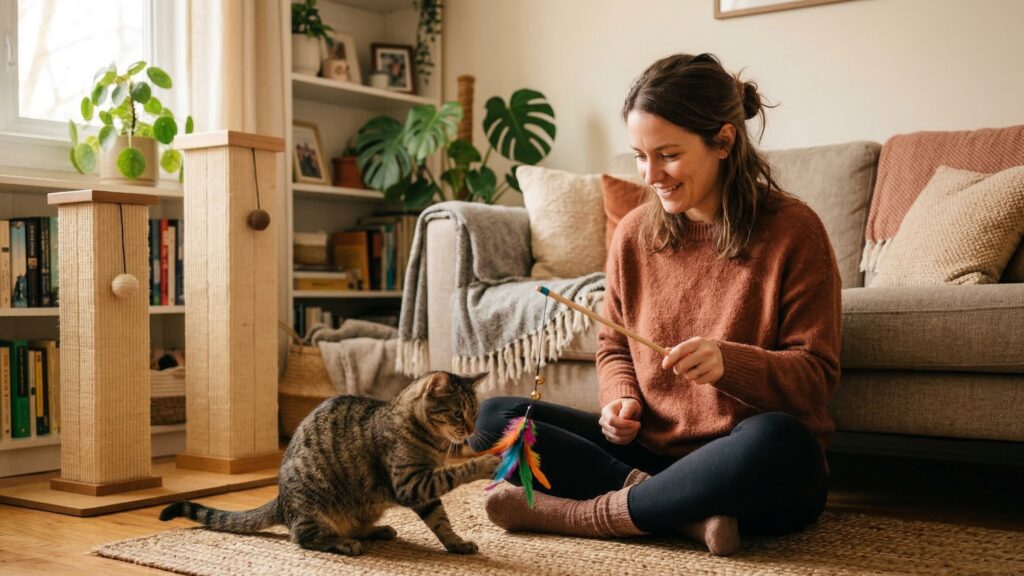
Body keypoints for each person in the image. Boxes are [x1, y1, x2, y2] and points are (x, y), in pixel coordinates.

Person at [470, 53, 841, 556]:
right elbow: (614, 343)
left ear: (724, 141)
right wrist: (621, 399)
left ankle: (586, 516)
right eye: (639, 156)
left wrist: (730, 363)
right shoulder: (634, 235)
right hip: (648, 453)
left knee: (782, 441)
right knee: (493, 418)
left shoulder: (795, 230)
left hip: (740, 462)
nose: (650, 174)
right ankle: (677, 513)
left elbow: (815, 378)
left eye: (667, 155)